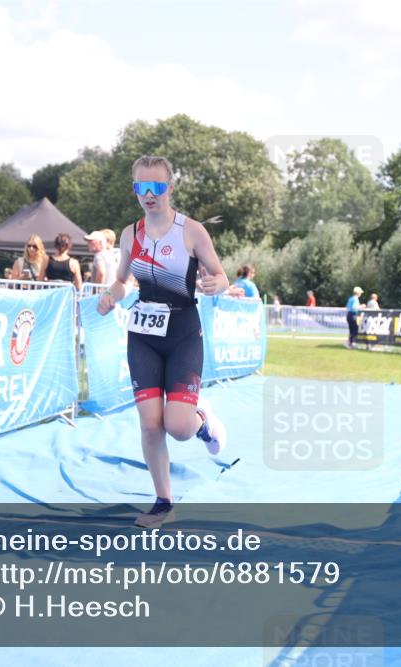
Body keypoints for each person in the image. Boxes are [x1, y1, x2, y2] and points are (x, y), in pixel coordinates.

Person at [97, 155, 230, 528]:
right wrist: (111, 297)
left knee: (178, 427)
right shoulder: (130, 234)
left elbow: (221, 276)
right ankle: (163, 502)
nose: (149, 195)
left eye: (157, 187)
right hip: (143, 335)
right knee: (150, 424)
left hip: (184, 332)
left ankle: (202, 421)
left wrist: (213, 284)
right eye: (142, 187)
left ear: (170, 188)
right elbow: (124, 281)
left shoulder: (192, 231)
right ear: (135, 189)